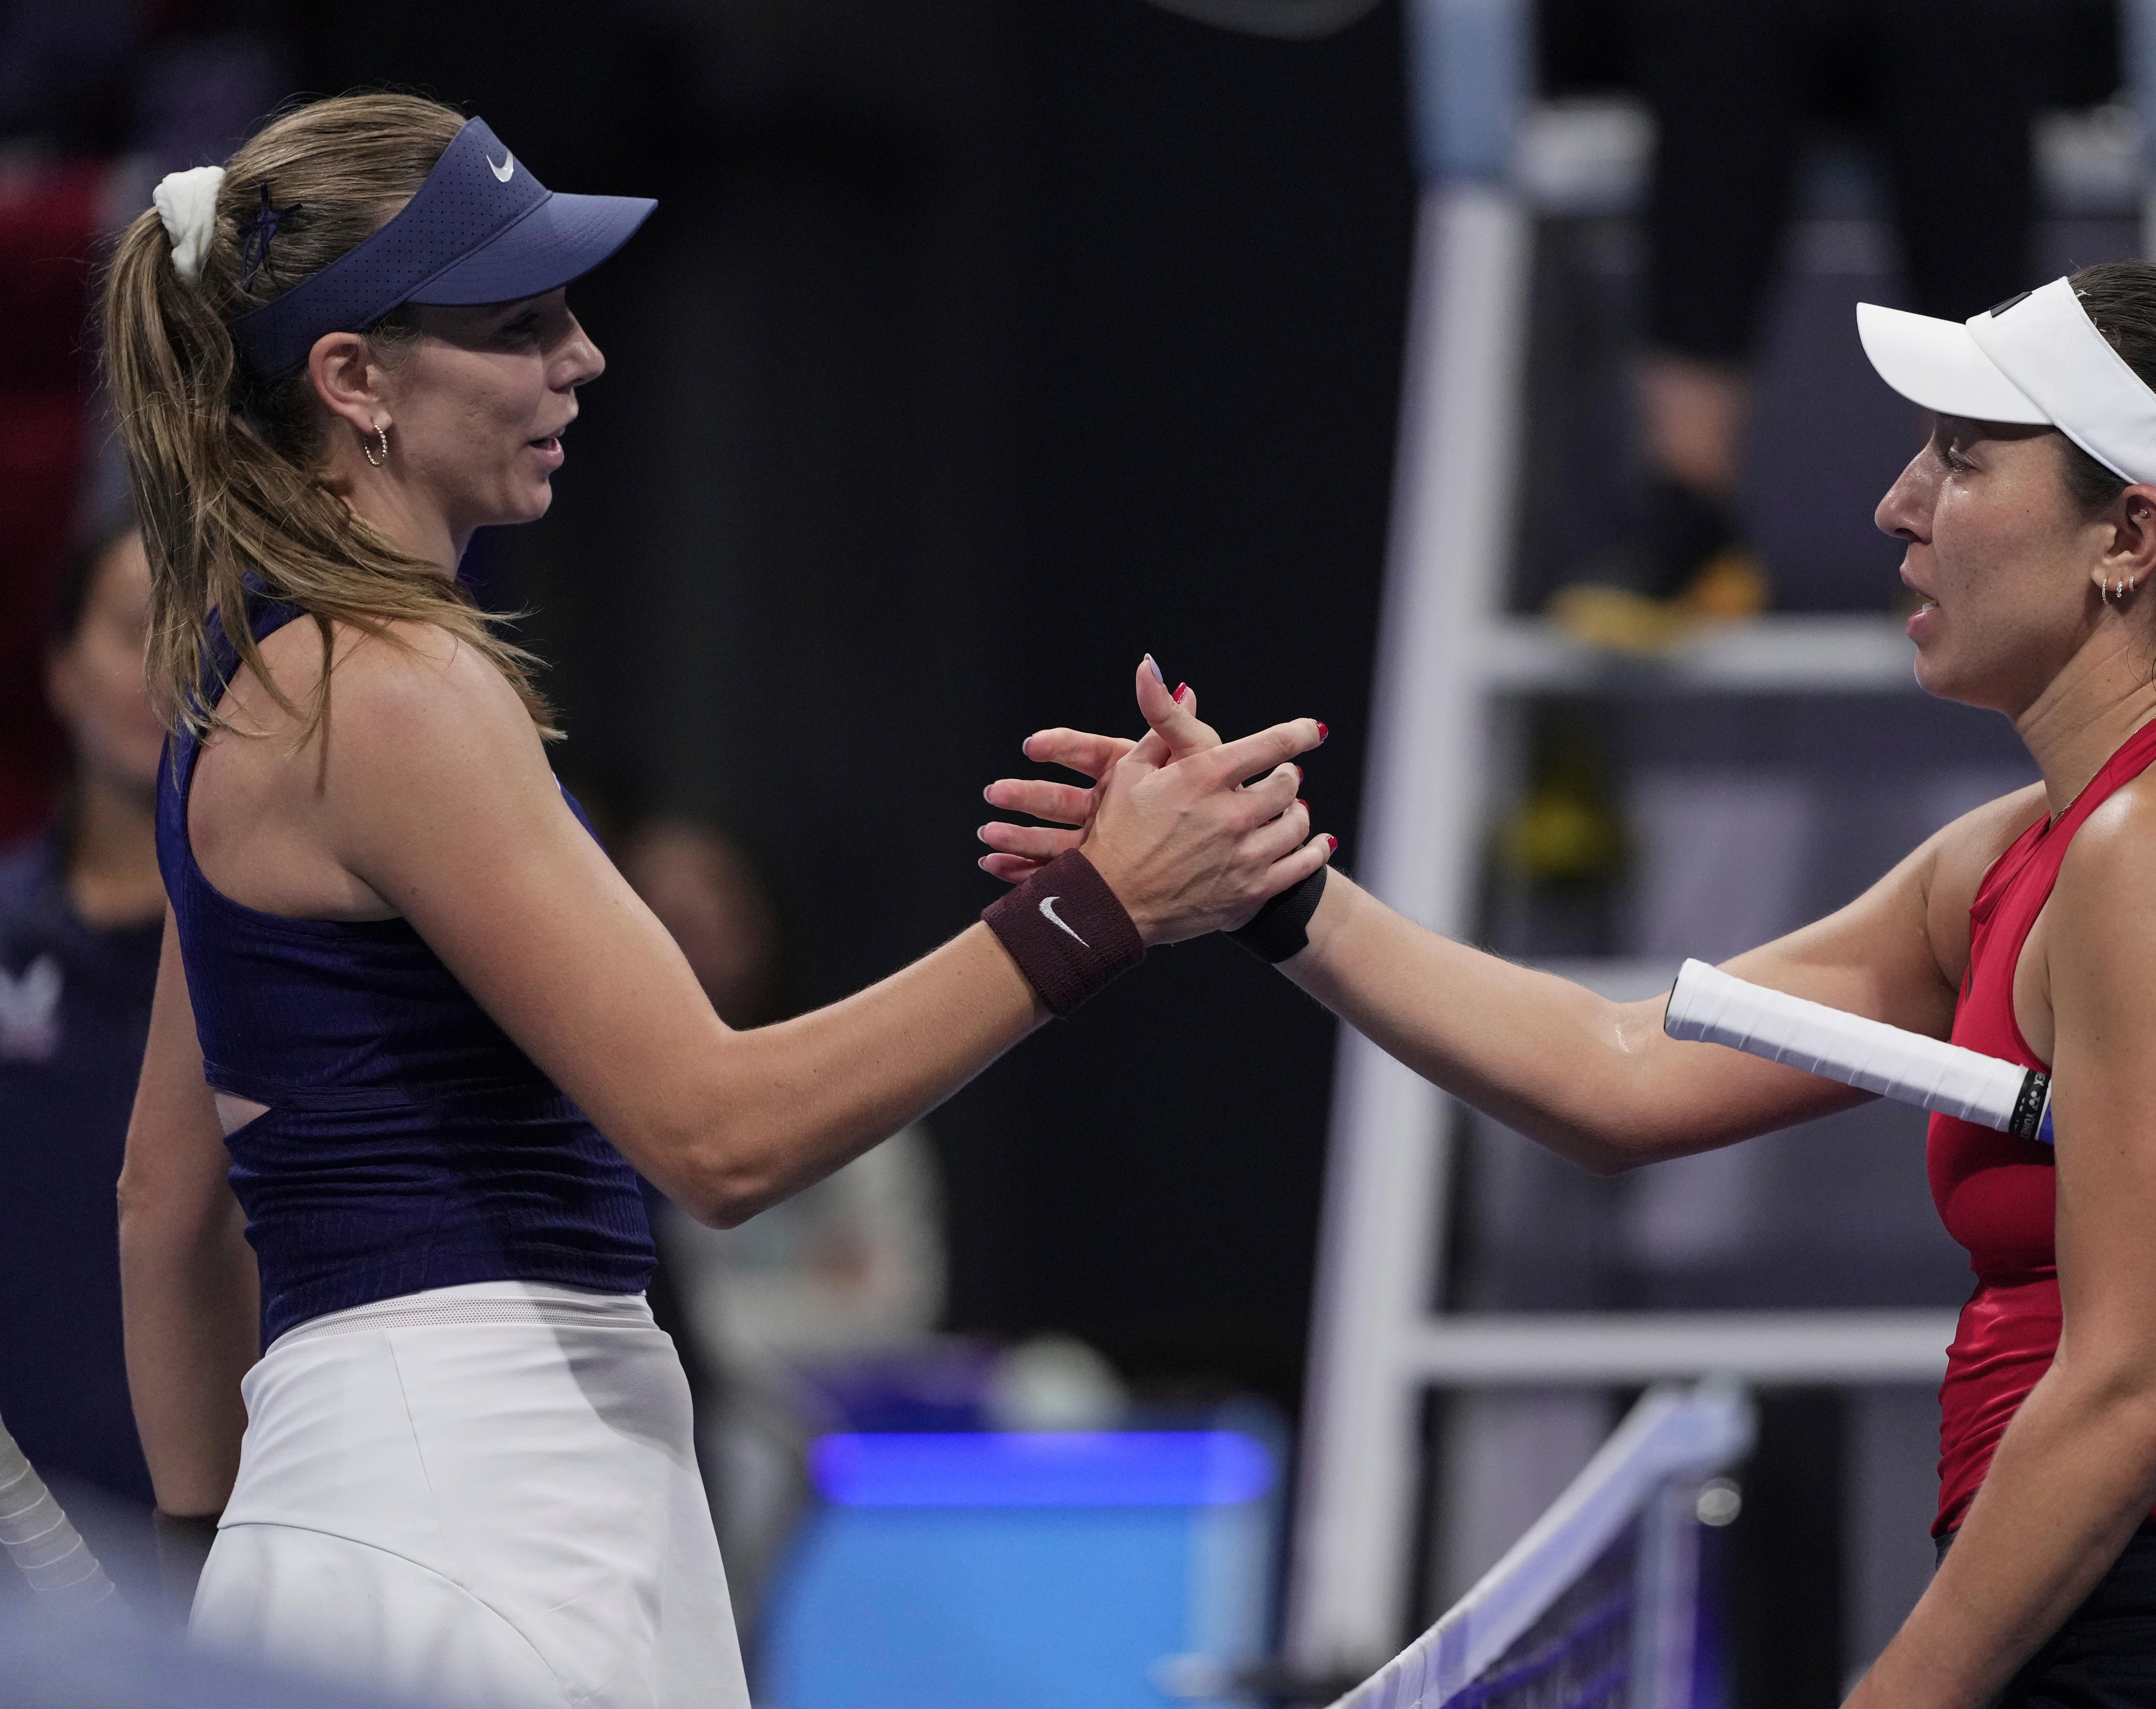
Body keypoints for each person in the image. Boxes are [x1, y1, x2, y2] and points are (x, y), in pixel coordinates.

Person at [983, 261, 2156, 1705]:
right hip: (2087, 1634)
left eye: (1960, 460)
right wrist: (1278, 889)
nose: (1896, 504)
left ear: (2129, 537)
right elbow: (1620, 1067)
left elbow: (2137, 1387)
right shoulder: (2025, 853)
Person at [105, 93, 1329, 1707]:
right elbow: (719, 1136)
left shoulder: (263, 688)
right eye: (522, 321)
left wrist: (222, 1555)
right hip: (478, 1515)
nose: (585, 356)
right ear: (356, 380)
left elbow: (160, 1203)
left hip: (398, 1506)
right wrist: (1097, 909)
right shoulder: (392, 688)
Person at [0, 523, 166, 1557]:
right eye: (140, 629)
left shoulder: (307, 958)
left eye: (209, 633)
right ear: (62, 672)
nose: (172, 670)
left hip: (242, 1543)